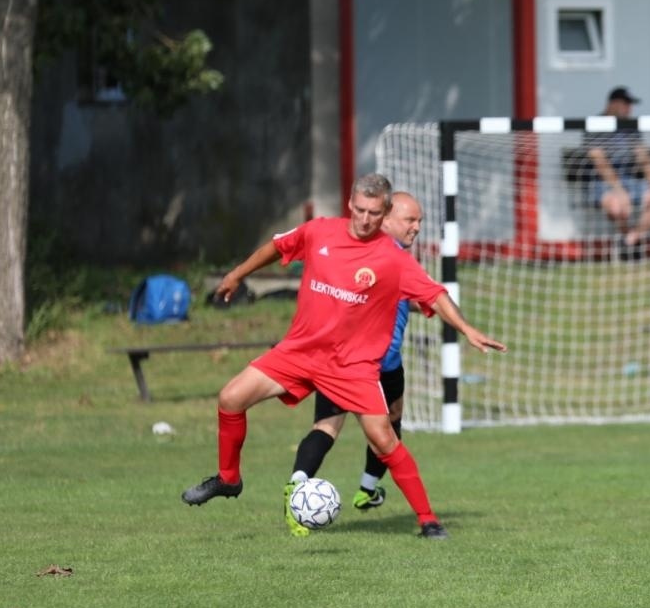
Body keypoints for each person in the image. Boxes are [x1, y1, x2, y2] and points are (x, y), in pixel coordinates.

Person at [181, 174, 506, 539]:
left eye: (374, 212)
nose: (365, 219)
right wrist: (237, 275)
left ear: (384, 213)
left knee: (383, 439)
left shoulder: (392, 259)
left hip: (351, 367)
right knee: (230, 398)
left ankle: (428, 520)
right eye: (361, 210)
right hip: (300, 351)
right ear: (350, 204)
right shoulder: (319, 231)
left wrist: (466, 329)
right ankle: (228, 479)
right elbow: (277, 247)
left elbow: (434, 295)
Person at [284, 191, 424, 536]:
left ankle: (299, 485)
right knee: (388, 429)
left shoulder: (372, 254)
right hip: (374, 363)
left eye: (419, 221)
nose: (417, 227)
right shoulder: (389, 258)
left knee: (328, 427)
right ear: (386, 219)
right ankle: (367, 488)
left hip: (342, 360)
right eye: (410, 220)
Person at [585, 86, 650, 256]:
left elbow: (643, 156)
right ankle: (629, 242)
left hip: (628, 180)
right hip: (602, 183)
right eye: (626, 104)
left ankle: (630, 240)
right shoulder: (594, 125)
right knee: (618, 206)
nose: (629, 109)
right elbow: (599, 162)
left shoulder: (630, 126)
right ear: (613, 104)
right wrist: (618, 190)